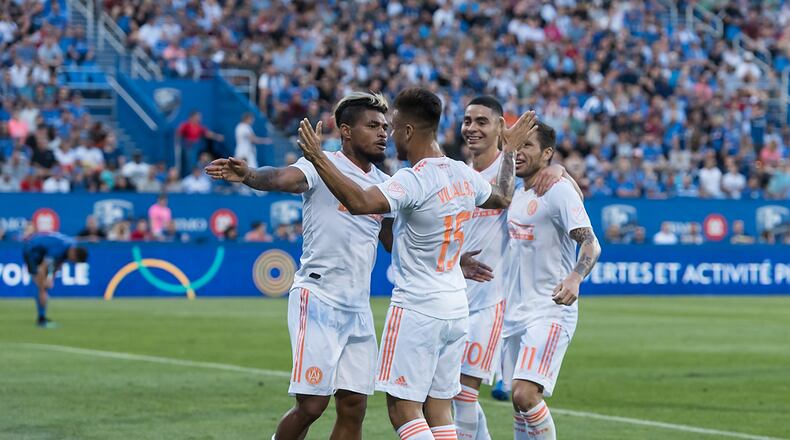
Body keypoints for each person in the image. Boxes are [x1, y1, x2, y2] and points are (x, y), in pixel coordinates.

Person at [295, 87, 537, 439]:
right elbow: (502, 196)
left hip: (417, 308)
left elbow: (362, 202)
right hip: (456, 306)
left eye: (393, 128)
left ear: (408, 131)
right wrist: (509, 152)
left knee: (404, 410)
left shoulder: (413, 179)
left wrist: (319, 158)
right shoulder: (462, 173)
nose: (389, 136)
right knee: (439, 410)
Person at [206, 92, 398, 440]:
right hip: (318, 296)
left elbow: (395, 243)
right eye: (372, 126)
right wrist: (249, 175)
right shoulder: (319, 164)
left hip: (358, 306)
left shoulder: (385, 185)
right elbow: (280, 177)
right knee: (311, 405)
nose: (383, 133)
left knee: (354, 407)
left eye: (385, 126)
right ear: (346, 131)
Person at [453, 96, 582, 440]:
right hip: (457, 299)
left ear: (500, 129)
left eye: (483, 122)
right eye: (468, 121)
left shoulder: (517, 173)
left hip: (492, 301)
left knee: (471, 392)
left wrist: (559, 170)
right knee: (452, 393)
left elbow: (552, 188)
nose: (473, 128)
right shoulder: (460, 174)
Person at [500, 121, 601, 440]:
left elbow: (591, 243)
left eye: (527, 145)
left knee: (525, 395)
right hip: (515, 314)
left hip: (550, 309)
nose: (519, 152)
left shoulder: (557, 190)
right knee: (518, 406)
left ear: (547, 153)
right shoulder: (517, 192)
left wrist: (575, 277)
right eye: (516, 145)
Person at [22, 232, 88, 327]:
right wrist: (45, 281)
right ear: (73, 253)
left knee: (44, 287)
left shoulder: (70, 247)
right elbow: (43, 267)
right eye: (73, 260)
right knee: (41, 287)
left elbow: (59, 263)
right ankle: (41, 319)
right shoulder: (59, 248)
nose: (72, 262)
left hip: (41, 251)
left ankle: (42, 316)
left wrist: (51, 278)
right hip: (31, 251)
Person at [176, 111, 223, 176]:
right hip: (188, 147)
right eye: (198, 116)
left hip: (196, 148)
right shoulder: (185, 125)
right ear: (192, 117)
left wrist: (217, 136)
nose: (199, 118)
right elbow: (178, 134)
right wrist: (181, 144)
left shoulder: (199, 127)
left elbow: (207, 133)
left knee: (198, 162)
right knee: (189, 164)